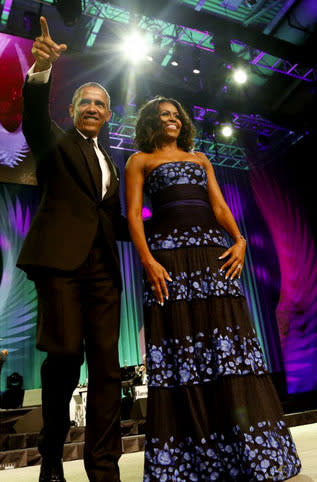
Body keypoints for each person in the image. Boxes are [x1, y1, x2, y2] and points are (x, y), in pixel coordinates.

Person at [125, 96, 301, 480]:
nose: (171, 119)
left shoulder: (201, 159)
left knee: (230, 349)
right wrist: (147, 259)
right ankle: (196, 460)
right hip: (169, 260)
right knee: (182, 348)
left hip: (212, 256)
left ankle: (250, 455)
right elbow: (134, 216)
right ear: (151, 123)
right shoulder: (139, 160)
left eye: (175, 115)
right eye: (162, 115)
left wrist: (238, 240)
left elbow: (220, 208)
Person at [17, 16, 128, 482]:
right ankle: (49, 460)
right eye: (84, 101)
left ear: (107, 114)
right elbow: (33, 120)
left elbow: (113, 220)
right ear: (72, 111)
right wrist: (40, 71)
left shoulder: (113, 161)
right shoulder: (56, 145)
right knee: (64, 361)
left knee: (107, 370)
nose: (91, 107)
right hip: (60, 267)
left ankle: (103, 468)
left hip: (103, 271)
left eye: (99, 103)